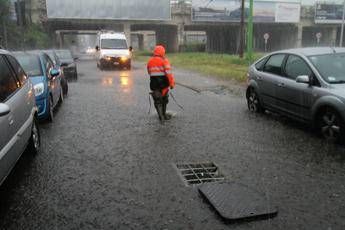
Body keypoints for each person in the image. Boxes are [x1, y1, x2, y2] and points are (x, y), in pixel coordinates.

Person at [147, 45, 175, 122]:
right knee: (164, 99)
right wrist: (172, 83)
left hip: (154, 84)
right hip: (163, 84)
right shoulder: (164, 61)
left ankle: (161, 117)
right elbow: (169, 73)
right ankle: (164, 114)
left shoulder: (150, 61)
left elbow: (149, 72)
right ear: (163, 52)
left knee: (157, 100)